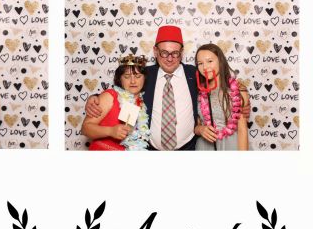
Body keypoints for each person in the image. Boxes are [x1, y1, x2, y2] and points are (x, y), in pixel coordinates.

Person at [84, 25, 251, 151]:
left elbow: (219, 82)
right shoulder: (144, 75)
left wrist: (241, 95)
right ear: (155, 51)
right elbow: (123, 89)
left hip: (189, 150)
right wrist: (95, 98)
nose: (169, 58)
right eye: (164, 52)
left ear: (182, 52)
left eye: (175, 53)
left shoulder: (195, 73)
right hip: (150, 151)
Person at [81, 55, 150, 150]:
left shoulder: (142, 103)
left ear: (144, 78)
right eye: (127, 77)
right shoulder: (110, 96)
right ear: (120, 79)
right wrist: (110, 131)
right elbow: (85, 129)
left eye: (138, 76)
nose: (133, 81)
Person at [195, 43, 249, 150]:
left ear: (220, 61)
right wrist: (200, 129)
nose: (205, 67)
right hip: (205, 147)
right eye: (200, 63)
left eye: (210, 61)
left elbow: (242, 130)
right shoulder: (198, 90)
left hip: (231, 146)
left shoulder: (238, 89)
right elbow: (196, 125)